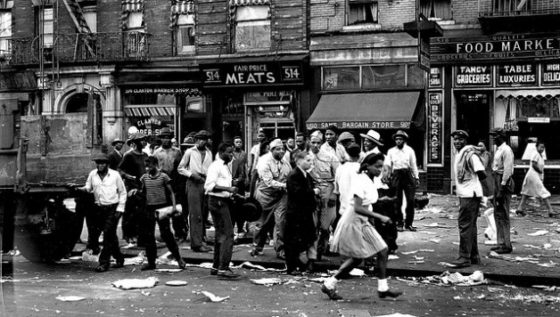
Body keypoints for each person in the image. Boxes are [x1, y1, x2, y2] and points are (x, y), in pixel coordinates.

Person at [321, 153, 402, 300]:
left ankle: (382, 288)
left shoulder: (370, 180)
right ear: (367, 166)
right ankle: (329, 283)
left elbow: (368, 200)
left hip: (363, 221)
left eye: (381, 167)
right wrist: (380, 216)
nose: (379, 170)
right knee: (361, 257)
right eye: (377, 166)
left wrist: (385, 200)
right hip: (353, 221)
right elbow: (358, 207)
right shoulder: (361, 181)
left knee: (382, 250)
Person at [78, 153, 127, 272]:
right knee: (110, 235)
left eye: (102, 163)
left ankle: (104, 263)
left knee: (107, 235)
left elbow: (122, 192)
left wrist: (120, 209)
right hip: (98, 209)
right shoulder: (92, 174)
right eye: (98, 163)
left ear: (107, 164)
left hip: (112, 208)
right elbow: (88, 187)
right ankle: (119, 258)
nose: (100, 165)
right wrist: (79, 189)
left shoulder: (115, 175)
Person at [138, 156, 186, 271]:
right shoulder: (144, 178)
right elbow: (143, 192)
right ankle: (151, 262)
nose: (147, 168)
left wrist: (174, 207)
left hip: (162, 208)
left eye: (149, 166)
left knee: (167, 234)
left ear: (155, 165)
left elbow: (171, 193)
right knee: (149, 236)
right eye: (146, 166)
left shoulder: (163, 177)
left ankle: (179, 259)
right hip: (149, 208)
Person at [450, 130, 486, 268]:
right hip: (467, 194)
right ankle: (474, 256)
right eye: (455, 139)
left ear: (465, 140)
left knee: (465, 226)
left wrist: (476, 186)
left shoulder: (470, 155)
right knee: (470, 226)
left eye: (460, 139)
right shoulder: (460, 154)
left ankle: (464, 257)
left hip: (470, 195)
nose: (457, 142)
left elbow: (481, 172)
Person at [250, 138, 291, 259]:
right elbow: (268, 181)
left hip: (280, 196)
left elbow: (289, 175)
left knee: (281, 222)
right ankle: (257, 246)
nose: (281, 151)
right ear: (272, 150)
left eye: (283, 149)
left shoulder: (285, 162)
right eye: (278, 149)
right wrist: (285, 185)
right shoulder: (264, 161)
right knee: (262, 224)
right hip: (265, 195)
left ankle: (280, 249)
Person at [204, 143, 240, 278]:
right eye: (229, 152)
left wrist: (232, 192)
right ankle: (223, 268)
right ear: (221, 152)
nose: (232, 155)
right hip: (217, 201)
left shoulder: (225, 166)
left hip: (222, 200)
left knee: (220, 235)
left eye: (233, 153)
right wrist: (228, 189)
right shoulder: (216, 166)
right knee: (228, 234)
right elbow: (209, 186)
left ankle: (216, 266)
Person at [178, 130, 214, 253]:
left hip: (205, 182)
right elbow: (180, 168)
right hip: (193, 182)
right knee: (195, 213)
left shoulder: (209, 153)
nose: (201, 141)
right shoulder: (190, 152)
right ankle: (196, 243)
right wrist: (191, 175)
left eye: (204, 139)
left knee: (204, 213)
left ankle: (201, 239)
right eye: (199, 139)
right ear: (196, 140)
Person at [285, 151, 320, 275]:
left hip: (304, 212)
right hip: (296, 213)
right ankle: (292, 267)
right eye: (307, 160)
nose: (310, 163)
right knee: (293, 240)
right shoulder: (294, 175)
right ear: (299, 161)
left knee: (304, 239)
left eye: (311, 160)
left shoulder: (306, 175)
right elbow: (297, 193)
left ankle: (300, 264)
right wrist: (313, 192)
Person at [308, 130, 340, 260]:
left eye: (318, 143)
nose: (315, 145)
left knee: (325, 225)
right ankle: (313, 254)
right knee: (312, 225)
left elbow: (338, 177)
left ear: (322, 143)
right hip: (311, 192)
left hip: (328, 190)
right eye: (313, 142)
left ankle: (323, 248)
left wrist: (334, 194)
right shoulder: (305, 157)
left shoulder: (330, 156)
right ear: (308, 142)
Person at [153, 128, 188, 241]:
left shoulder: (177, 151)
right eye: (164, 138)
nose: (166, 140)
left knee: (176, 208)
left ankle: (179, 232)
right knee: (163, 209)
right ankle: (165, 233)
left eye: (168, 137)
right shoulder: (157, 153)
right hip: (162, 182)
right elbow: (154, 168)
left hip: (175, 182)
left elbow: (181, 167)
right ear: (160, 139)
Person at [384, 130, 419, 232]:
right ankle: (399, 223)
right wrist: (387, 176)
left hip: (407, 175)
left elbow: (413, 165)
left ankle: (409, 223)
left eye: (400, 139)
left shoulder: (410, 151)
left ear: (404, 140)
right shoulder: (391, 151)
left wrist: (416, 177)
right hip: (396, 176)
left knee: (411, 201)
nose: (398, 141)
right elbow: (387, 165)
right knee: (397, 201)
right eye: (396, 139)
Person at [118, 133, 149, 246]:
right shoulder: (129, 155)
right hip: (132, 188)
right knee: (130, 212)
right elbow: (119, 170)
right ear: (136, 143)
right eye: (142, 140)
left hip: (143, 188)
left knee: (142, 213)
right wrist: (128, 176)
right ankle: (129, 235)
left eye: (145, 140)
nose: (145, 142)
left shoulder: (145, 155)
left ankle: (140, 235)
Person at [489, 128, 514, 254]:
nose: (493, 138)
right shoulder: (498, 149)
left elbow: (507, 171)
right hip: (497, 180)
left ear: (502, 137)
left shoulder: (506, 150)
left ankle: (506, 244)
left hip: (503, 182)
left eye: (495, 136)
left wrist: (501, 189)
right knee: (497, 213)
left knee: (503, 213)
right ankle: (500, 242)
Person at [516, 141, 556, 217]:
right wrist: (540, 171)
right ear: (537, 147)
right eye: (540, 147)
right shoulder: (535, 154)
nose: (542, 149)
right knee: (543, 191)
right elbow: (534, 164)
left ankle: (520, 208)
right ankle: (550, 210)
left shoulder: (540, 155)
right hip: (533, 174)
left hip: (533, 175)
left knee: (526, 192)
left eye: (543, 147)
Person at [334, 144, 361, 216]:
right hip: (359, 210)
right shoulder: (361, 169)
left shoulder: (340, 169)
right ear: (359, 156)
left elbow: (336, 191)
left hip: (344, 209)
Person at [475, 141, 494, 208]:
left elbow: (484, 165)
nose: (479, 147)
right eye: (478, 146)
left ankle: (490, 203)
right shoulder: (479, 154)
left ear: (485, 147)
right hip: (482, 174)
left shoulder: (486, 154)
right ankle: (484, 202)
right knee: (483, 188)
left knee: (488, 189)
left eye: (481, 146)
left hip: (486, 174)